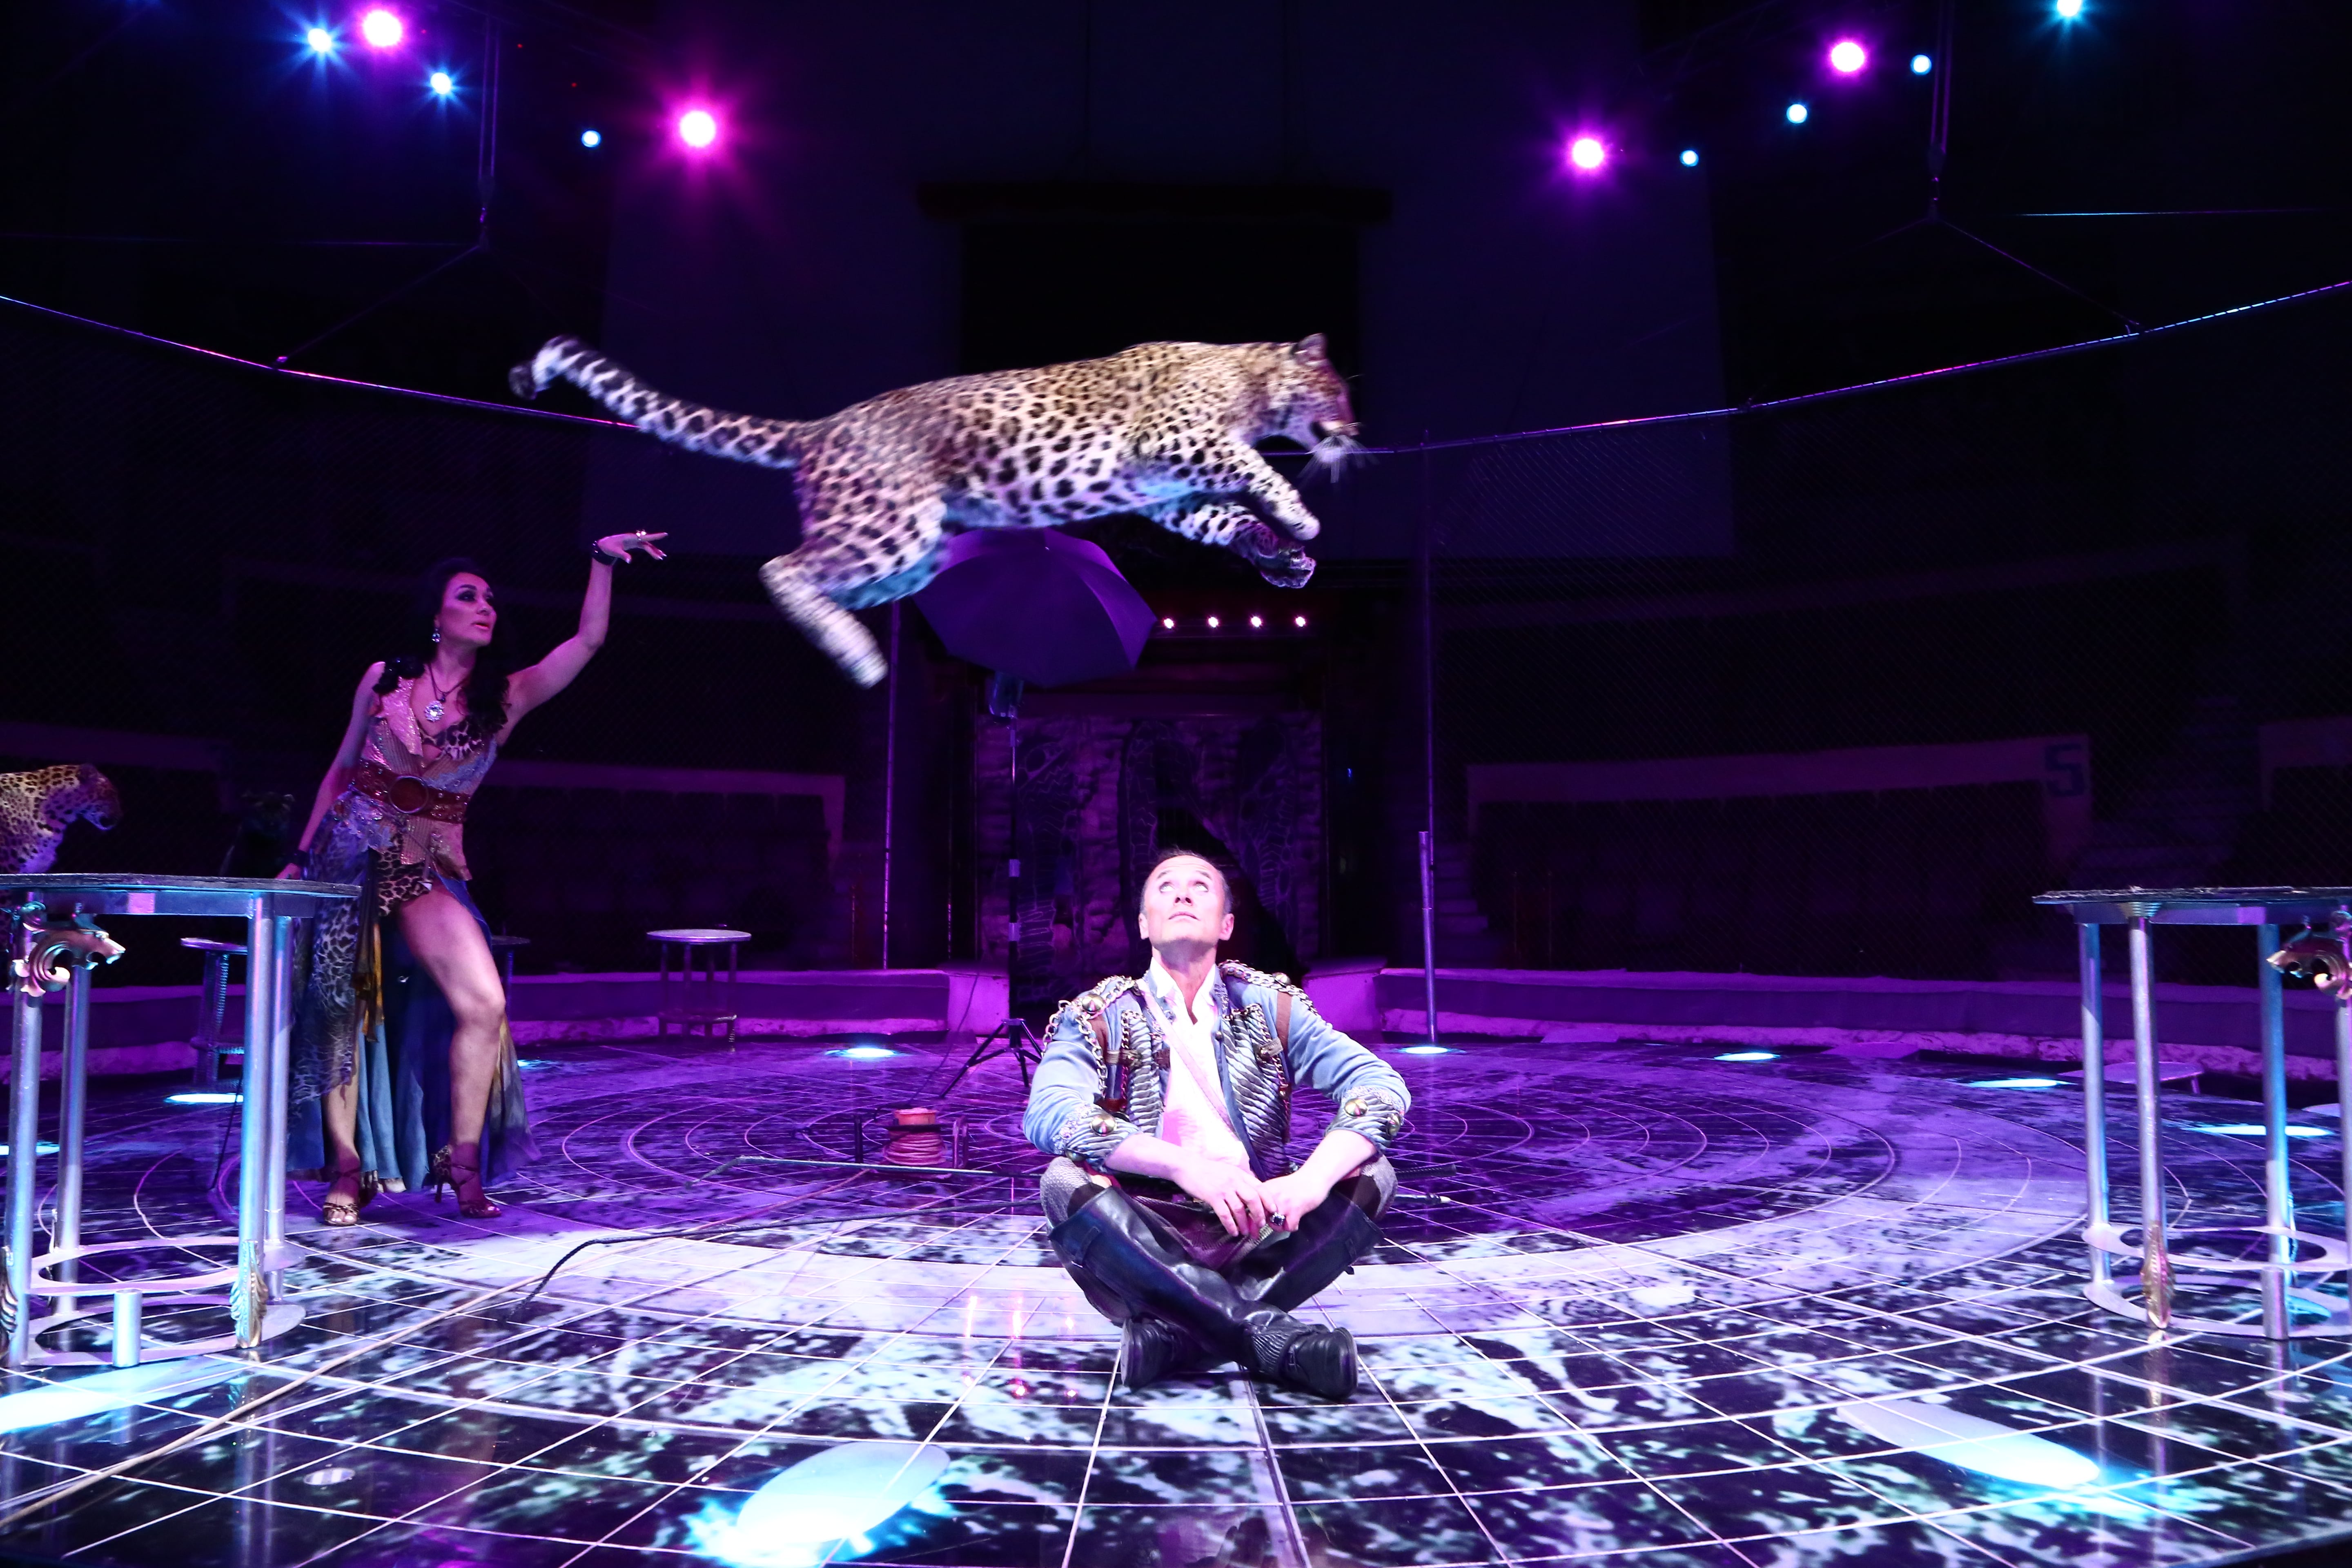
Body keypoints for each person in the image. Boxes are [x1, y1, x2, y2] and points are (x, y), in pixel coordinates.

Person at [281, 535, 666, 1224]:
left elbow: (587, 642)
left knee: (484, 1002)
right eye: (468, 597)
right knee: (340, 1012)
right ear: (437, 615)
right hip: (349, 852)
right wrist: (299, 856)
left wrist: (602, 561)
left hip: (427, 864)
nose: (486, 607)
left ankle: (461, 1165)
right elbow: (340, 771)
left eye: (491, 599)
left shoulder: (505, 698)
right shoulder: (384, 680)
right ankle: (346, 1171)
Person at [1022, 849, 1410, 1399]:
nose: (1183, 893)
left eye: (1201, 886)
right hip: (1144, 1232)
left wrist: (1310, 1181)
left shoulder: (1269, 1007)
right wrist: (1185, 1167)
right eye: (1166, 886)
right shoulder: (1099, 1015)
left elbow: (1379, 1086)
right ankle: (1270, 1339)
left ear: (1227, 925)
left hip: (1257, 1224)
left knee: (1376, 1174)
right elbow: (1050, 1112)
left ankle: (1181, 1336)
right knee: (1063, 1180)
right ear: (1144, 924)